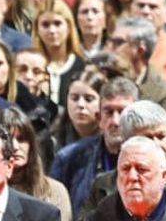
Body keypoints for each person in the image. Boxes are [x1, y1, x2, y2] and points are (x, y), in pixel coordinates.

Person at [49, 75, 136, 210]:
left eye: (123, 112)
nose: (115, 121)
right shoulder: (68, 159)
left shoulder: (155, 160)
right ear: (99, 118)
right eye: (109, 112)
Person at [0, 105, 69, 221]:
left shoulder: (55, 192)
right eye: (7, 139)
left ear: (32, 145)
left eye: (22, 139)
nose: (15, 146)